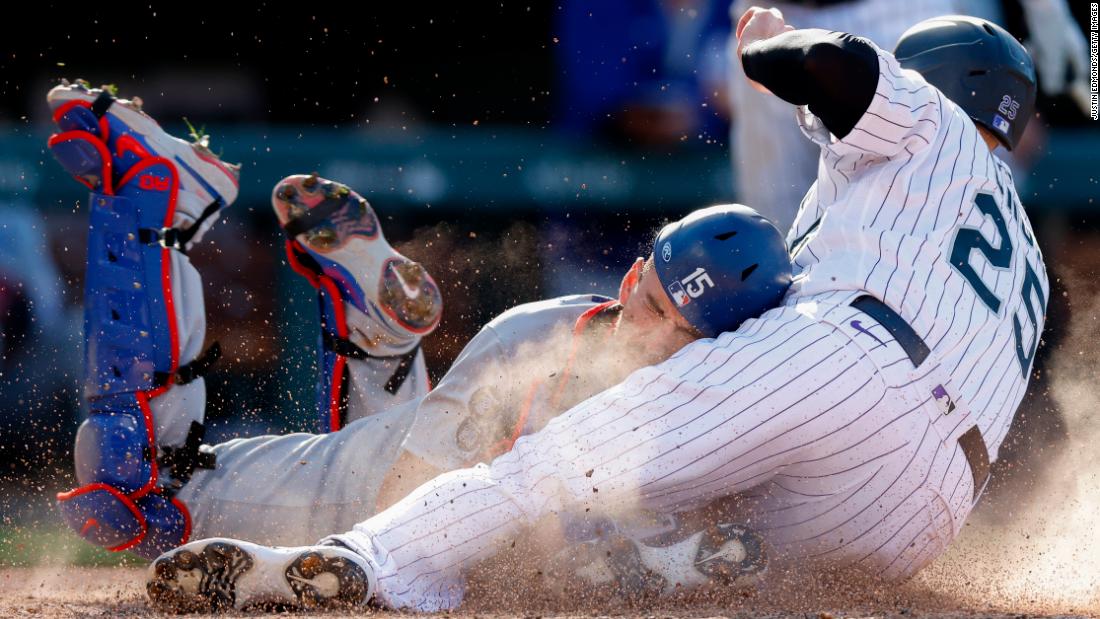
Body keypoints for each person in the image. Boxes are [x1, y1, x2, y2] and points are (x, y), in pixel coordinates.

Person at [140, 8, 1048, 612]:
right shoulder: (1028, 259)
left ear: (943, 81)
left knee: (551, 470)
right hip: (921, 509)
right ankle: (649, 561)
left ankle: (369, 560)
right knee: (678, 554)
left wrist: (761, 47)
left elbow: (837, 65)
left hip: (854, 355)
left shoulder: (928, 122)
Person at [43, 79, 793, 594]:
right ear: (631, 277)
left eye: (677, 326)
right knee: (128, 484)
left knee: (430, 472)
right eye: (649, 299)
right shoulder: (537, 340)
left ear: (717, 350)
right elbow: (407, 514)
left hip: (401, 465)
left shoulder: (717, 406)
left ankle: (380, 343)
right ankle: (155, 198)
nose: (646, 327)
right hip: (341, 496)